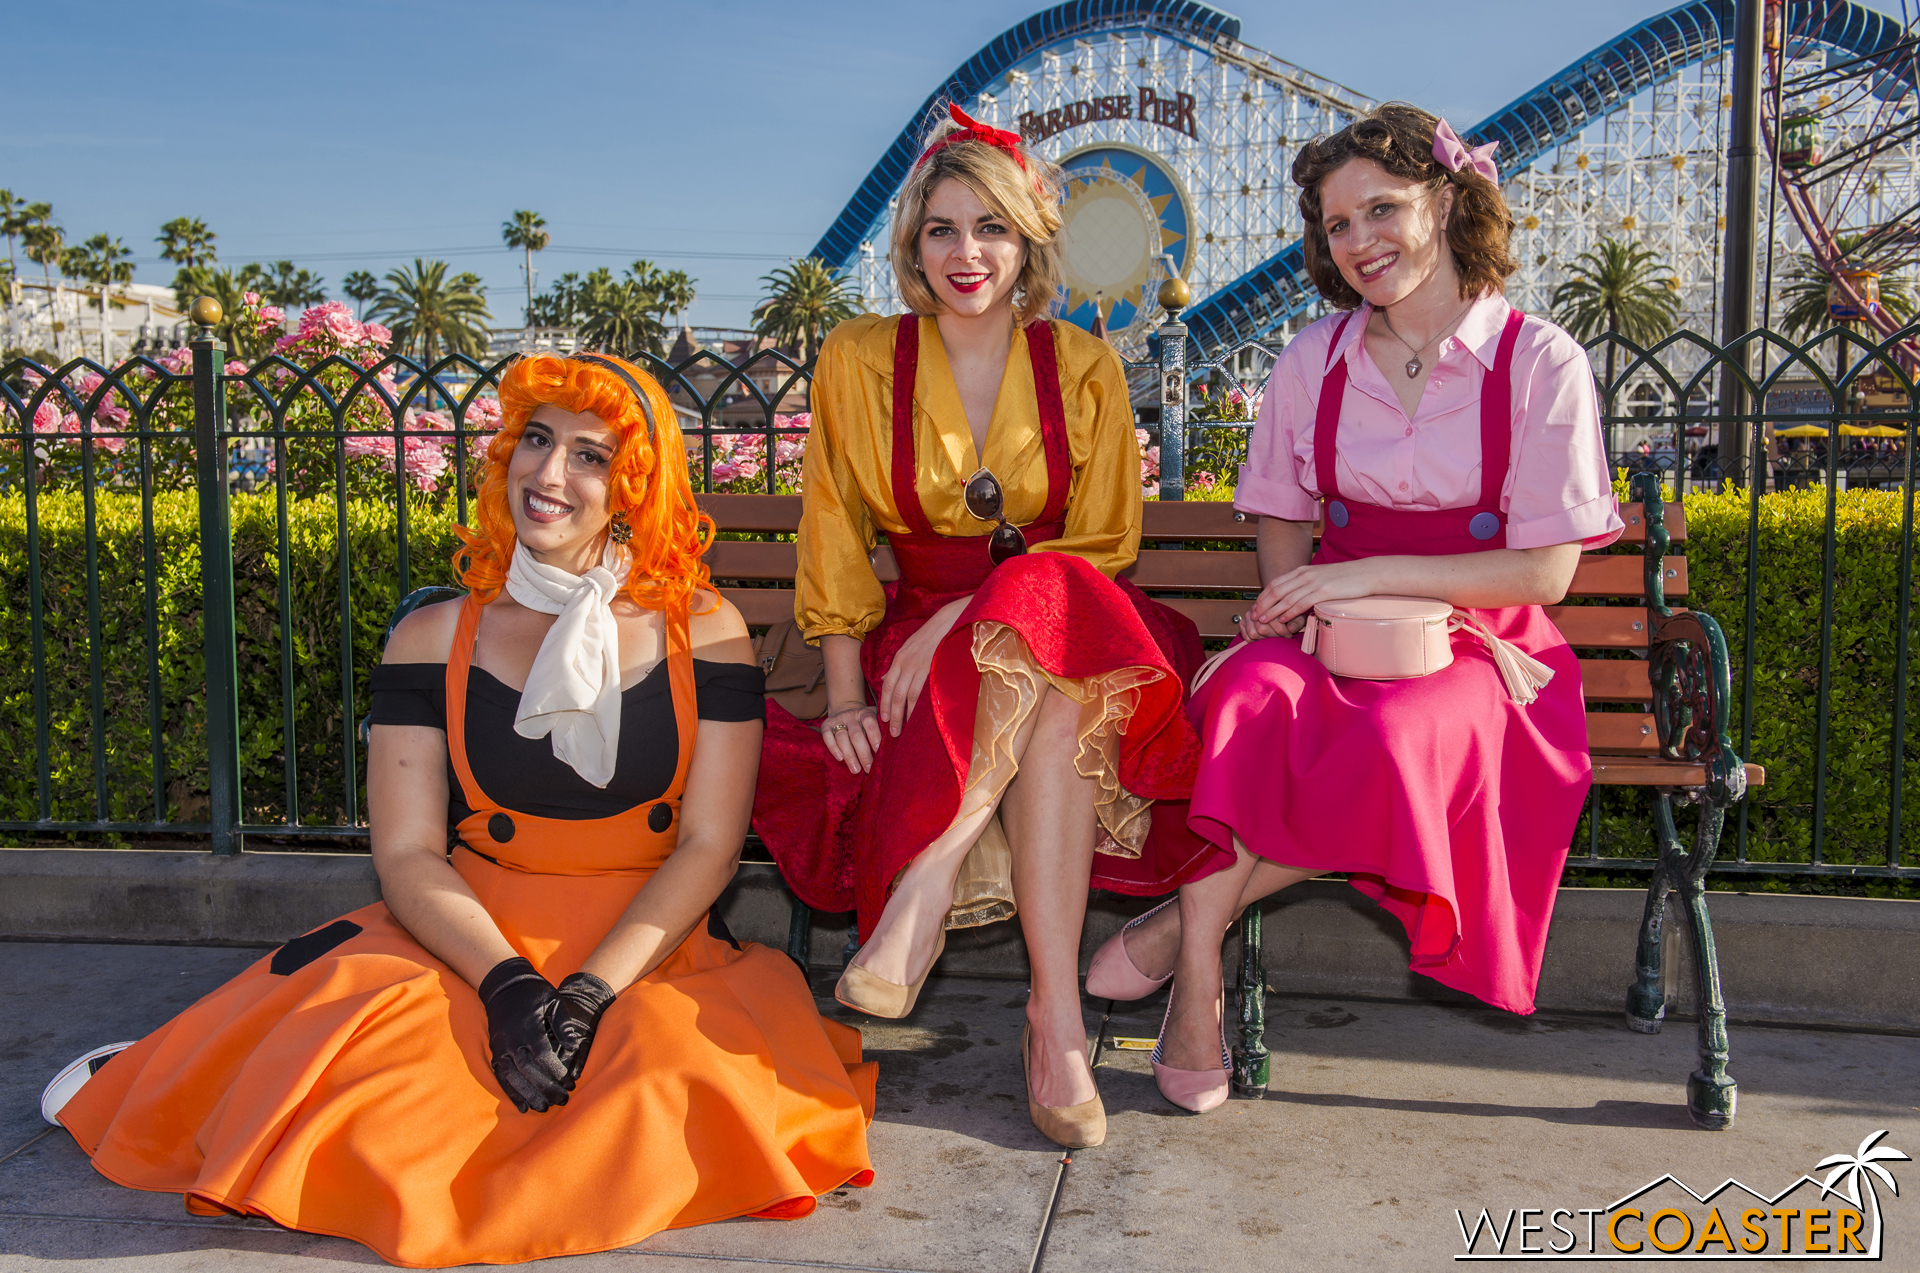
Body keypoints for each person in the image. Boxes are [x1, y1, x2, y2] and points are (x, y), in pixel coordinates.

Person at [45, 353, 876, 1267]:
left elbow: (711, 848)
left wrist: (593, 990)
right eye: (536, 441)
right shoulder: (431, 633)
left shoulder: (703, 626)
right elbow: (405, 853)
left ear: (634, 485)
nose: (550, 475)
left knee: (658, 1082)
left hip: (650, 945)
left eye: (591, 456)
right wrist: (509, 985)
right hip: (471, 936)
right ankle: (174, 1066)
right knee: (377, 1088)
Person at [1084, 103, 1623, 1112]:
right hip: (1331, 627)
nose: (1360, 242)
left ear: (1451, 200)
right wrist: (1299, 603)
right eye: (1337, 225)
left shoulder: (1539, 360)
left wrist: (1358, 579)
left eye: (1382, 209)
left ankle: (1179, 942)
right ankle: (1198, 978)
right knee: (1243, 700)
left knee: (1399, 742)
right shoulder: (1310, 360)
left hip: (1480, 640)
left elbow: (1545, 573)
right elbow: (1284, 523)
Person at [753, 105, 1209, 1150]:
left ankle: (935, 874)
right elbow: (831, 526)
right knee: (1052, 709)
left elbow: (1097, 551)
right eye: (943, 230)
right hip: (927, 643)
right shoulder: (860, 360)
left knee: (1050, 632)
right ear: (913, 243)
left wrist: (970, 605)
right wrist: (850, 690)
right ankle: (1057, 1029)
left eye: (992, 228)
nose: (968, 254)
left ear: (1029, 240)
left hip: (1077, 620)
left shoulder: (1086, 368)